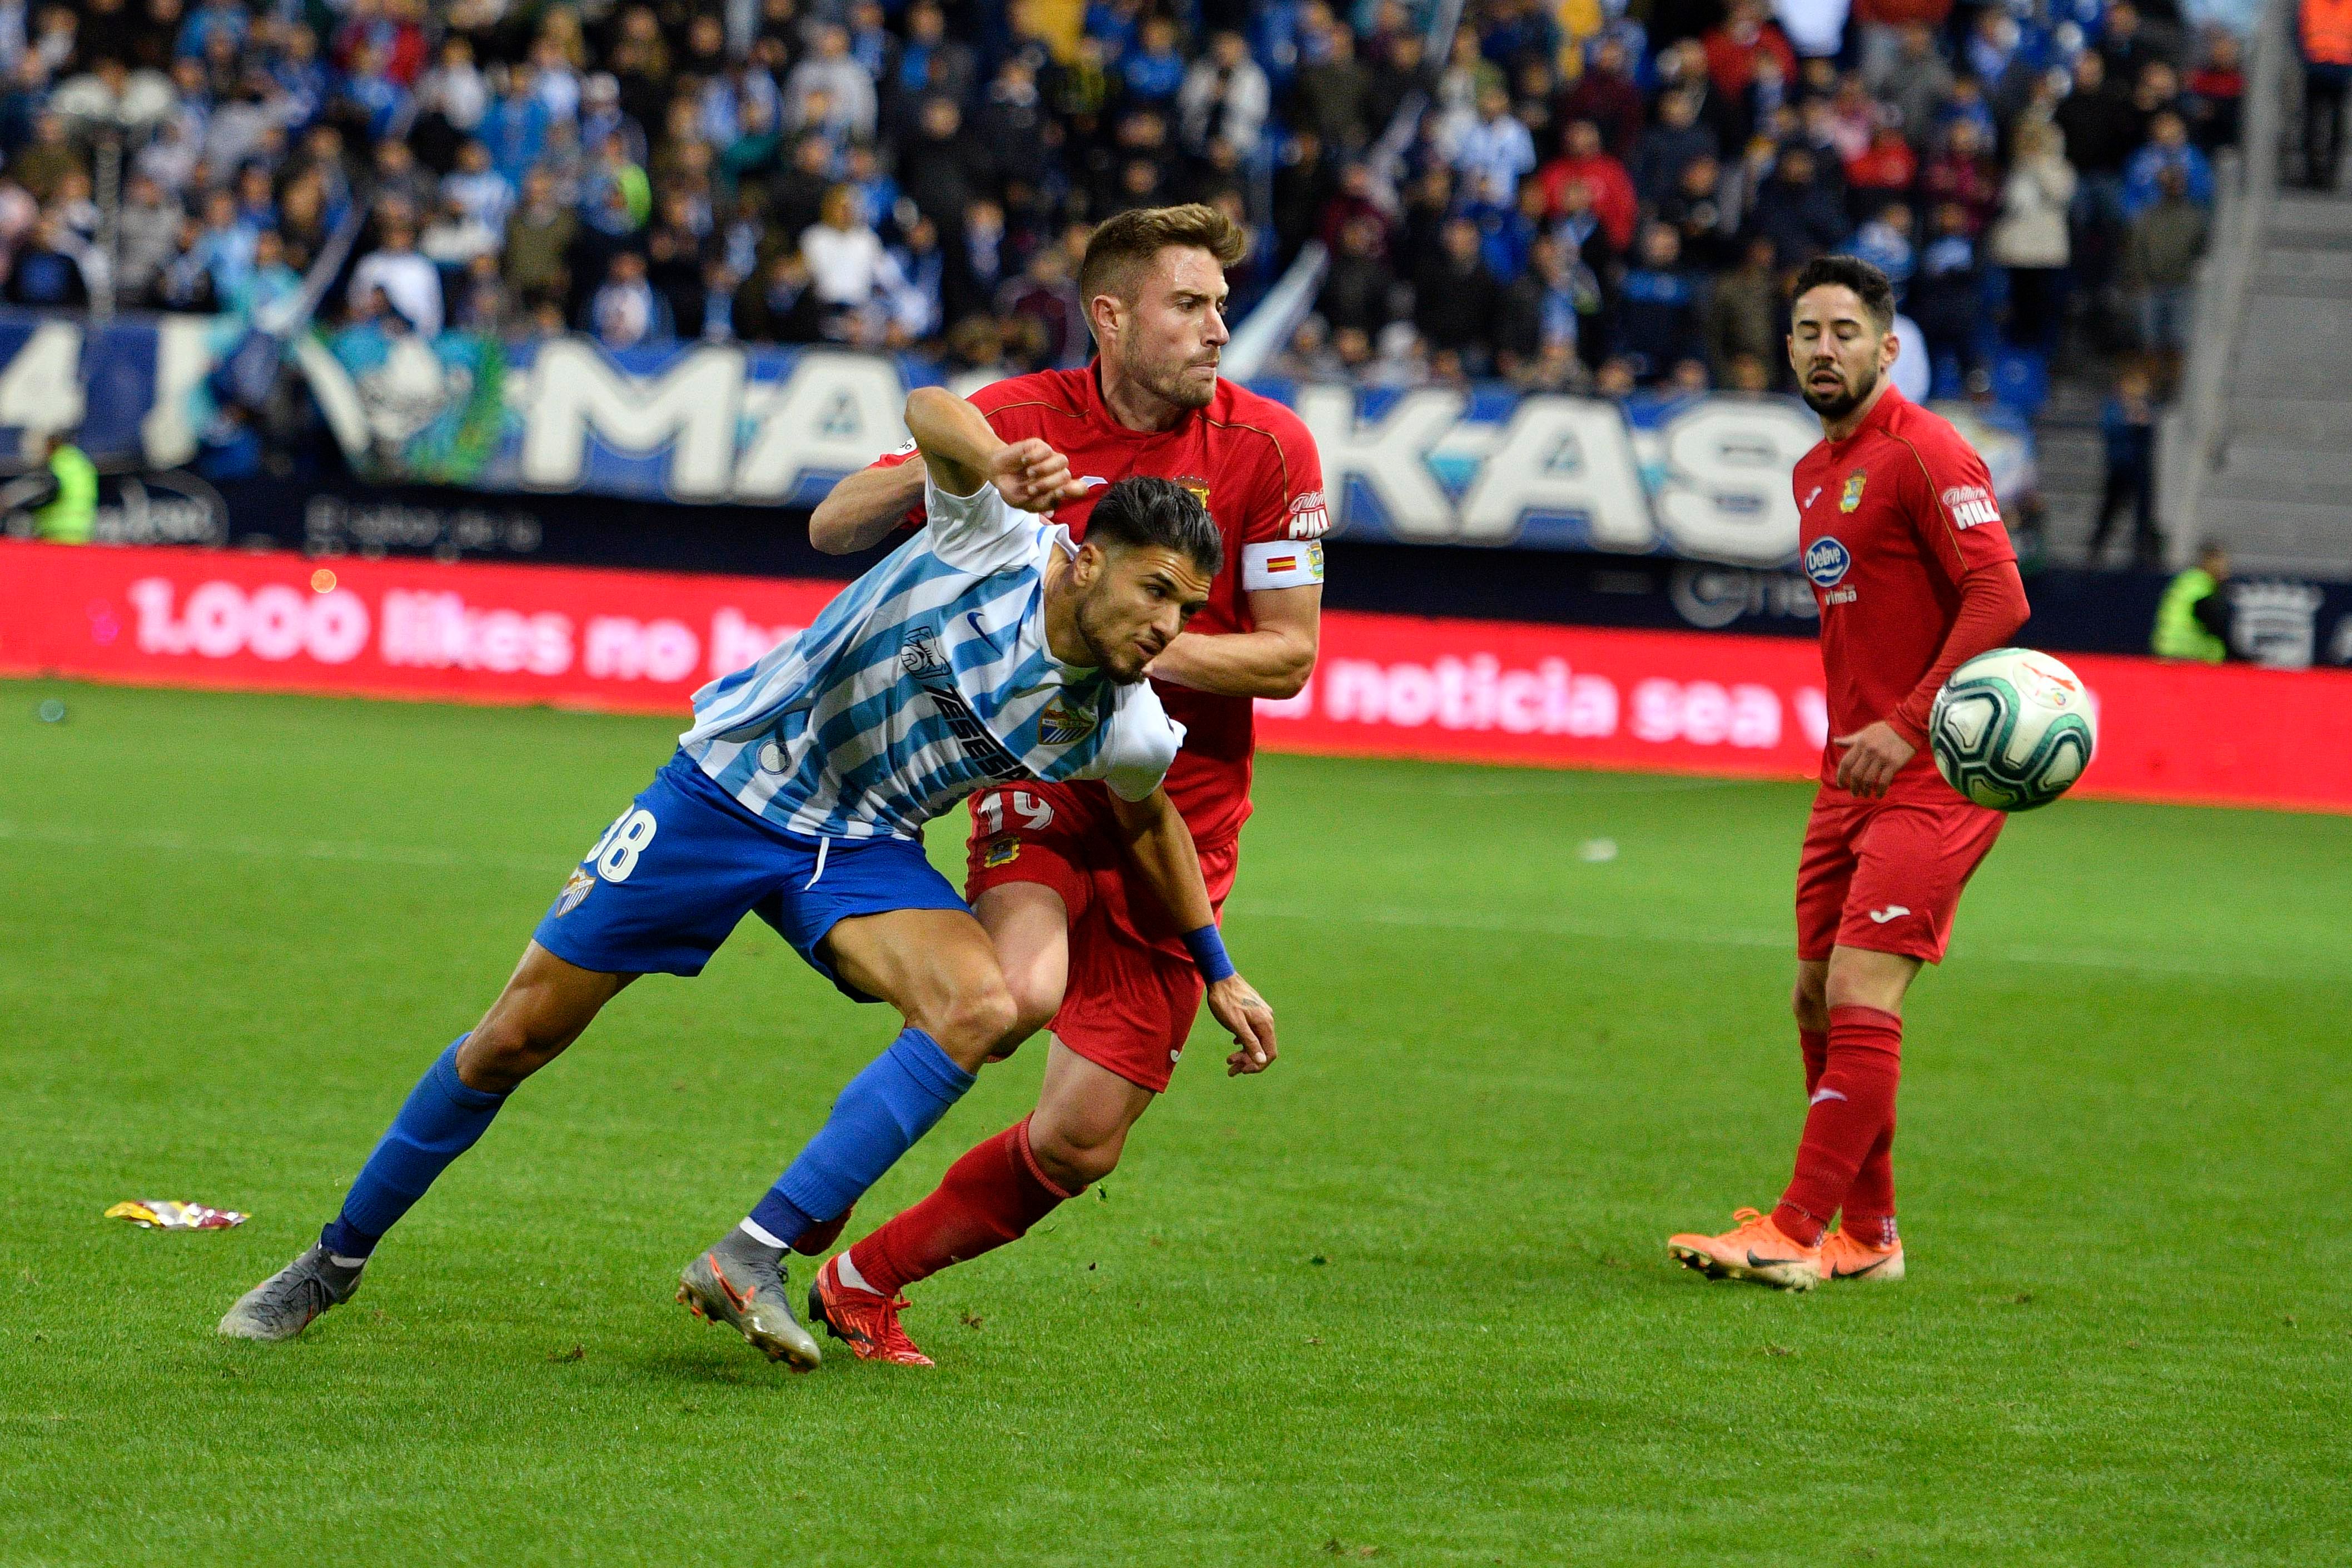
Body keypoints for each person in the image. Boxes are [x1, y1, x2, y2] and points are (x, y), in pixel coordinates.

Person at [218, 385, 1276, 1365]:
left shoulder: (1125, 722)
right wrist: (996, 457)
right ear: (1089, 562)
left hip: (859, 845)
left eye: (1185, 609)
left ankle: (749, 1256)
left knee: (983, 1003)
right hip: (728, 786)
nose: (1165, 628)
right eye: (1152, 592)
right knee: (514, 1037)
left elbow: (1151, 832)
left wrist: (1218, 969)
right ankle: (332, 1261)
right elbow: (928, 409)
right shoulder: (995, 542)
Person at [798, 203, 1325, 1365]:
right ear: (1111, 315)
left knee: (1084, 1140)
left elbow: (1289, 655)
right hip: (1036, 773)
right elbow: (833, 523)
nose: (1218, 330)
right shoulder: (1026, 418)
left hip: (1180, 808)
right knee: (1011, 992)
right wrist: (964, 471)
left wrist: (1115, 638)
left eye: (1222, 308)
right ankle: (805, 1197)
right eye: (1189, 306)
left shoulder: (1273, 449)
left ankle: (859, 1280)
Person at [1668, 255, 2030, 1290]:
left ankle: (1793, 1228)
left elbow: (1999, 599)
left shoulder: (1927, 453)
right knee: (1816, 998)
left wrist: (1911, 726)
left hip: (1937, 768)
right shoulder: (1814, 470)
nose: (1825, 349)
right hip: (1850, 775)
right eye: (1807, 332)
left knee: (1866, 989)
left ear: (1887, 346)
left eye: (1844, 332)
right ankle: (1869, 1237)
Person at [2090, 367, 2160, 566]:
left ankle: (2141, 556)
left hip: (2140, 469)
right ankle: (2095, 554)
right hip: (2119, 468)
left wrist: (2140, 417)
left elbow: (2150, 429)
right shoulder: (2114, 407)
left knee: (2143, 515)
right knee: (2108, 512)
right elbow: (2110, 428)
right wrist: (2130, 422)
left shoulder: (2145, 406)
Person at [2303, 0, 2352, 190]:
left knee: (2337, 126)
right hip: (2316, 70)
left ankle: (2331, 174)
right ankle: (2312, 173)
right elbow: (2297, 30)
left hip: (2341, 72)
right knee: (2312, 124)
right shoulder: (2311, 3)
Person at [2153, 544, 2232, 661]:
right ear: (2209, 562)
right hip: (2187, 655)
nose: (2225, 569)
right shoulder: (2200, 584)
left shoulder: (2187, 580)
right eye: (2221, 563)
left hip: (2170, 651)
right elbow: (2209, 616)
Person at [32, 430, 97, 544]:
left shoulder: (58, 463)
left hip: (56, 529)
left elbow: (47, 491)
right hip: (81, 529)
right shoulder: (81, 462)